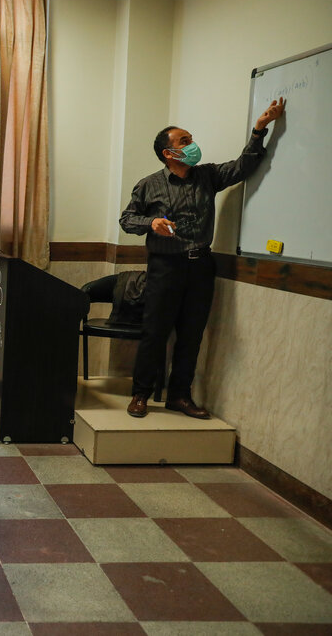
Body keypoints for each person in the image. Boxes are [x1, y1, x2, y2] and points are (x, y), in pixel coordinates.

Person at [119, 98, 286, 419]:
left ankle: (179, 396)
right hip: (165, 267)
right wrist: (151, 223)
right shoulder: (149, 185)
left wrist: (259, 130)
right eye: (185, 141)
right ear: (169, 153)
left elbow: (243, 166)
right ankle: (140, 394)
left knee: (191, 335)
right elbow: (127, 219)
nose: (192, 144)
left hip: (201, 267)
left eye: (191, 139)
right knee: (155, 333)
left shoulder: (207, 175)